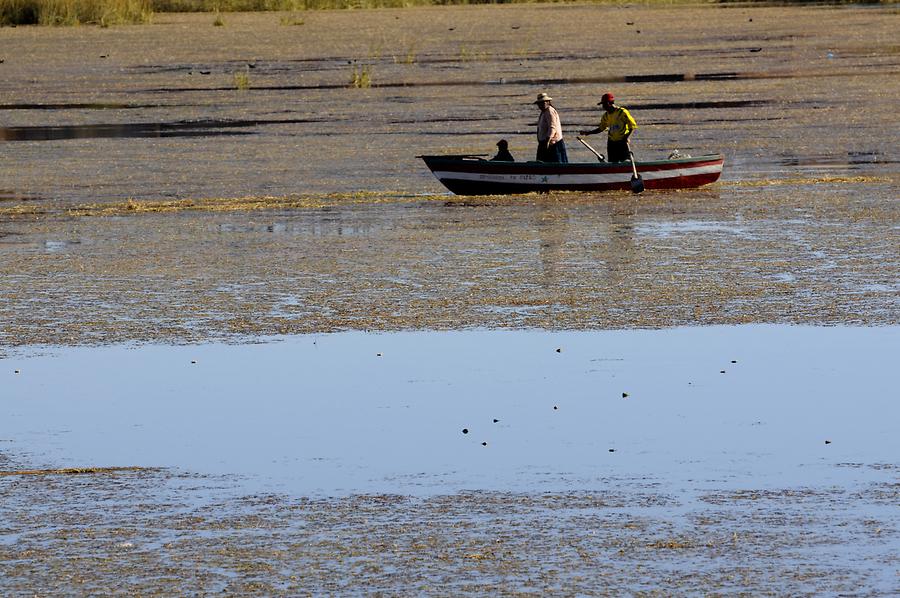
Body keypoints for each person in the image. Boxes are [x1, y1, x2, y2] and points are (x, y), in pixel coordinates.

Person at [580, 92, 637, 163]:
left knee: (625, 161)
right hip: (611, 143)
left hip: (622, 141)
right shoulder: (606, 116)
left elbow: (632, 126)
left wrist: (627, 137)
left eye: (604, 104)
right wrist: (588, 133)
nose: (603, 107)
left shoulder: (622, 112)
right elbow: (601, 128)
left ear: (609, 103)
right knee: (613, 162)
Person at [534, 92, 568, 163]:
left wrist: (548, 140)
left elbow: (552, 127)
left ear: (548, 102)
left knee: (555, 164)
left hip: (552, 144)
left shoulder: (550, 111)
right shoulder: (544, 112)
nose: (540, 105)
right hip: (545, 142)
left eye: (542, 103)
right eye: (539, 104)